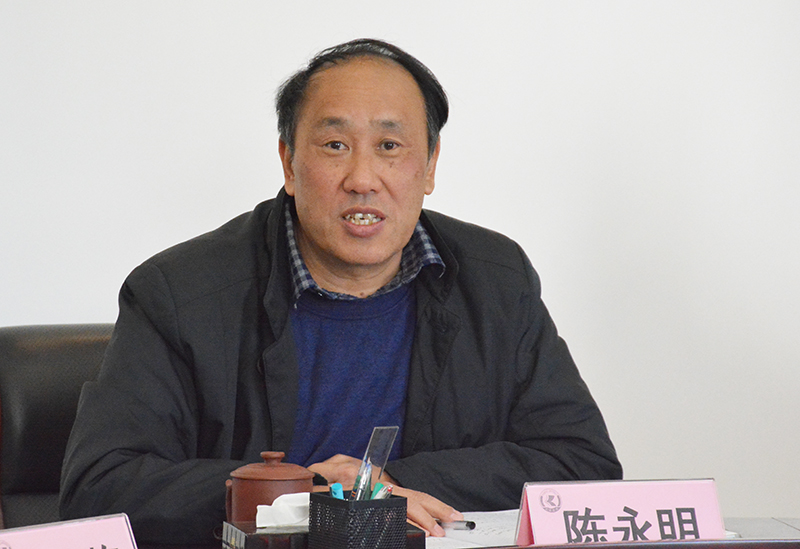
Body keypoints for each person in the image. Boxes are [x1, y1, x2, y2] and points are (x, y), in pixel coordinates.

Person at [60, 38, 622, 545]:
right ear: (288, 162)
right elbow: (101, 486)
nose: (362, 179)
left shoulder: (495, 280)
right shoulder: (179, 294)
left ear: (430, 166)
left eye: (389, 146)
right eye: (334, 145)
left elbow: (581, 464)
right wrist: (308, 497)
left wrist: (381, 487)